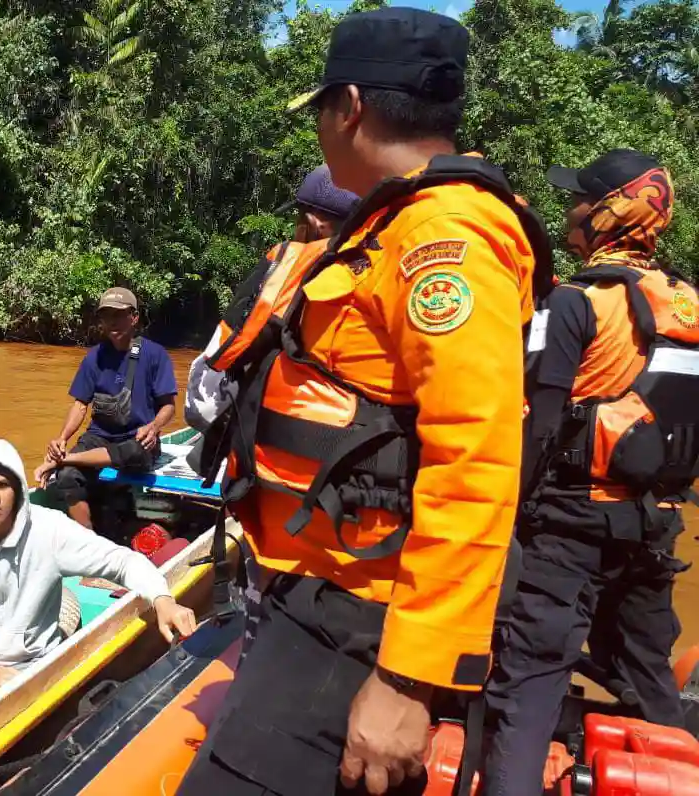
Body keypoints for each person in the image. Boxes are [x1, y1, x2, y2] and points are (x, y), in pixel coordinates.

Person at [176, 8, 549, 796]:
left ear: (348, 106)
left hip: (363, 618)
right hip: (318, 591)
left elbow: (476, 460)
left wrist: (409, 676)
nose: (317, 127)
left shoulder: (445, 243)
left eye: (319, 109)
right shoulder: (395, 223)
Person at [483, 150, 695, 796]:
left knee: (527, 685)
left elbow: (540, 424)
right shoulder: (686, 301)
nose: (570, 210)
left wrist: (501, 514)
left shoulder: (575, 302)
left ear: (605, 213)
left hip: (568, 525)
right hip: (653, 529)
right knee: (649, 679)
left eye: (578, 200)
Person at [0, 439, 198, 699]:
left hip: (31, 667)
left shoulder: (49, 530)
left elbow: (123, 561)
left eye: (2, 485)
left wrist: (163, 599)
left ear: (17, 490)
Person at [185, 165, 360, 434]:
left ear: (314, 225)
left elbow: (216, 370)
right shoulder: (382, 262)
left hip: (288, 434)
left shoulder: (291, 261)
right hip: (356, 432)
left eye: (298, 219)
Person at [43, 287, 178, 528]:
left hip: (138, 439)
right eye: (106, 316)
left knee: (135, 451)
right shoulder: (94, 357)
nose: (112, 322)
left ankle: (67, 460)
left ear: (134, 317)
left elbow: (168, 406)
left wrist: (154, 426)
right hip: (100, 437)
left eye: (118, 315)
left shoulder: (155, 355)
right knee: (67, 477)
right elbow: (80, 405)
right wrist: (62, 439)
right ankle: (88, 540)